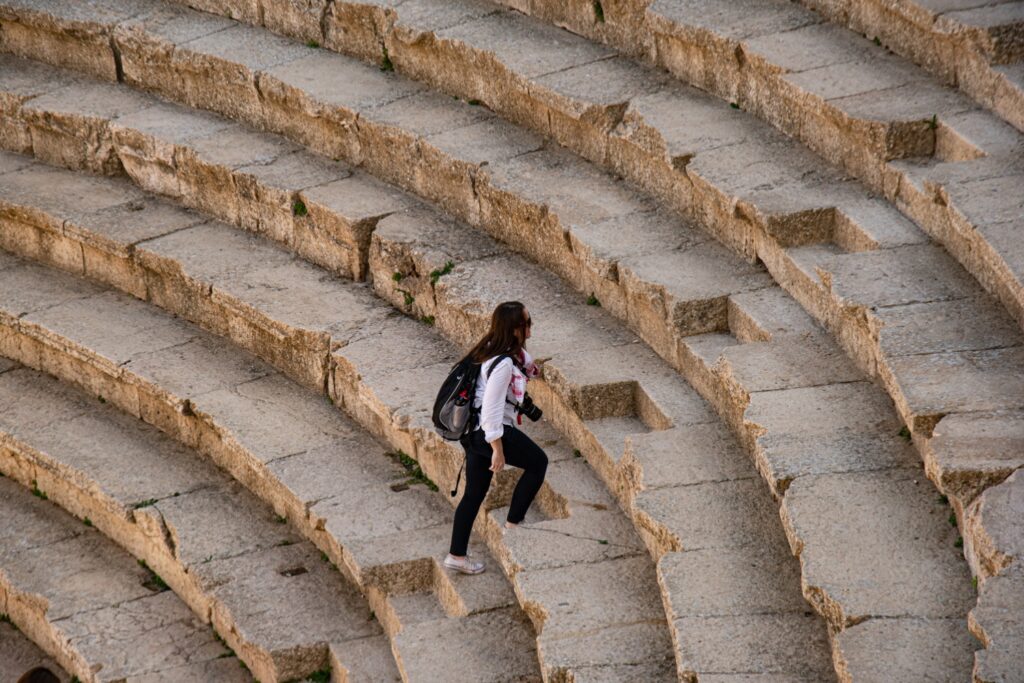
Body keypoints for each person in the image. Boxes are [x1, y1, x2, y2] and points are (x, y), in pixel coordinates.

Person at [444, 301, 548, 574]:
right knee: (538, 463)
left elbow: (523, 365)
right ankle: (514, 526)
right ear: (515, 330)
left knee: (474, 495)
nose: (531, 327)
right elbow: (491, 408)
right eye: (527, 323)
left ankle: (456, 556)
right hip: (490, 432)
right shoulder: (502, 364)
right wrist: (498, 450)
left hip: (472, 434)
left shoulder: (488, 351)